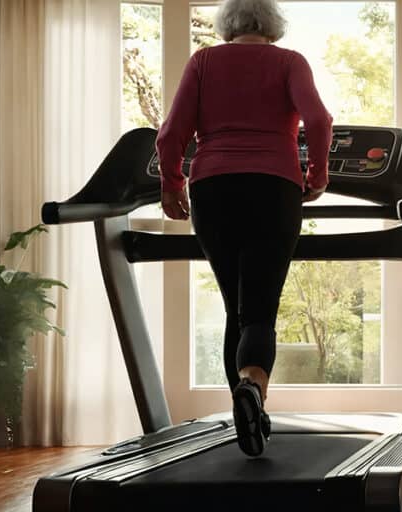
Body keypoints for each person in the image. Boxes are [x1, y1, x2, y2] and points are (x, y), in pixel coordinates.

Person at [155, 0, 332, 457]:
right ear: (273, 28)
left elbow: (172, 131)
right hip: (274, 186)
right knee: (259, 307)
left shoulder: (203, 61)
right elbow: (318, 120)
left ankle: (246, 412)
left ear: (227, 25)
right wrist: (317, 176)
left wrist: (172, 183)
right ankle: (252, 387)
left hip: (213, 188)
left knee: (236, 302)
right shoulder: (290, 62)